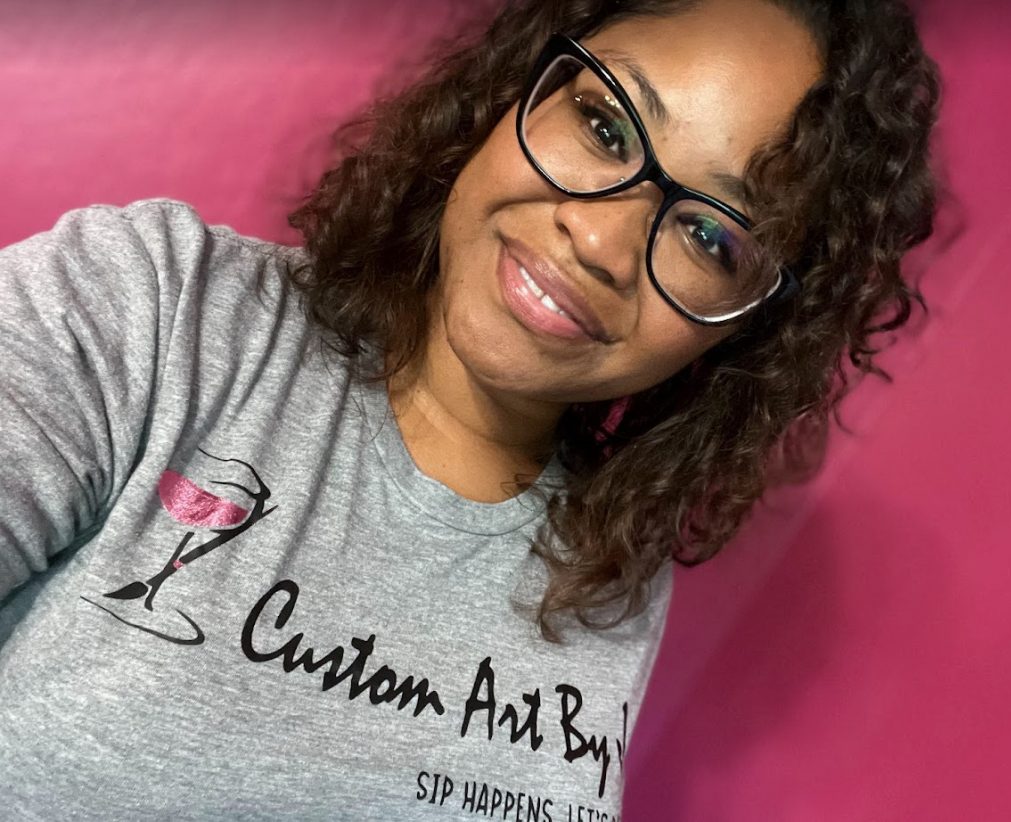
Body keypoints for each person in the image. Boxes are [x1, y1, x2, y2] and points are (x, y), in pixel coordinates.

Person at [0, 0, 940, 818]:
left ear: (742, 329)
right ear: (513, 87)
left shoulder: (606, 564)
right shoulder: (157, 308)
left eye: (708, 235)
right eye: (606, 126)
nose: (601, 239)